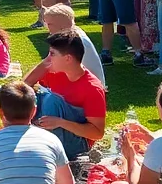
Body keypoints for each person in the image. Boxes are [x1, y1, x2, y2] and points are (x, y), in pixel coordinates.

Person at [24, 31, 107, 159]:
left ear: (68, 58)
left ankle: (43, 152)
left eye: (52, 54)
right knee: (31, 95)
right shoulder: (56, 73)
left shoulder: (92, 88)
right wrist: (43, 64)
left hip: (77, 144)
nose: (48, 59)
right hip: (55, 132)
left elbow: (97, 133)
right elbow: (23, 87)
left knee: (52, 100)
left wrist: (60, 122)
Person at [42, 3, 106, 87]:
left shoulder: (73, 40)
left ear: (61, 24)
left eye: (49, 24)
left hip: (87, 86)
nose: (47, 28)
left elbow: (50, 65)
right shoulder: (71, 35)